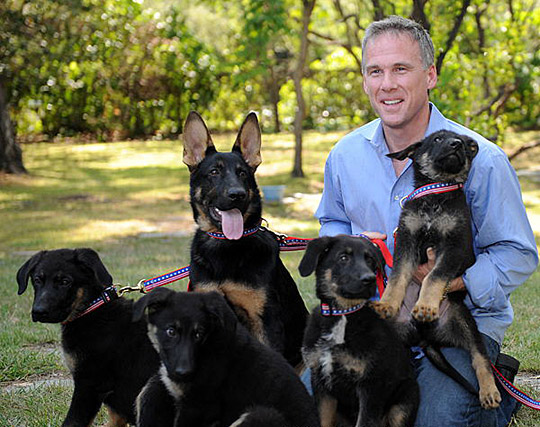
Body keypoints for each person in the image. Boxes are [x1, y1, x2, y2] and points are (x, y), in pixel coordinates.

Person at [314, 15, 538, 427]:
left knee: (433, 418)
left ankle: (495, 390)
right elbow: (332, 224)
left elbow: (518, 253)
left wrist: (450, 282)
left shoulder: (481, 158)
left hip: (459, 321)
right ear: (364, 81)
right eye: (375, 71)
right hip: (378, 317)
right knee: (308, 399)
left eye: (401, 69)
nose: (387, 84)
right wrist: (351, 247)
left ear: (430, 75)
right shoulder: (343, 156)